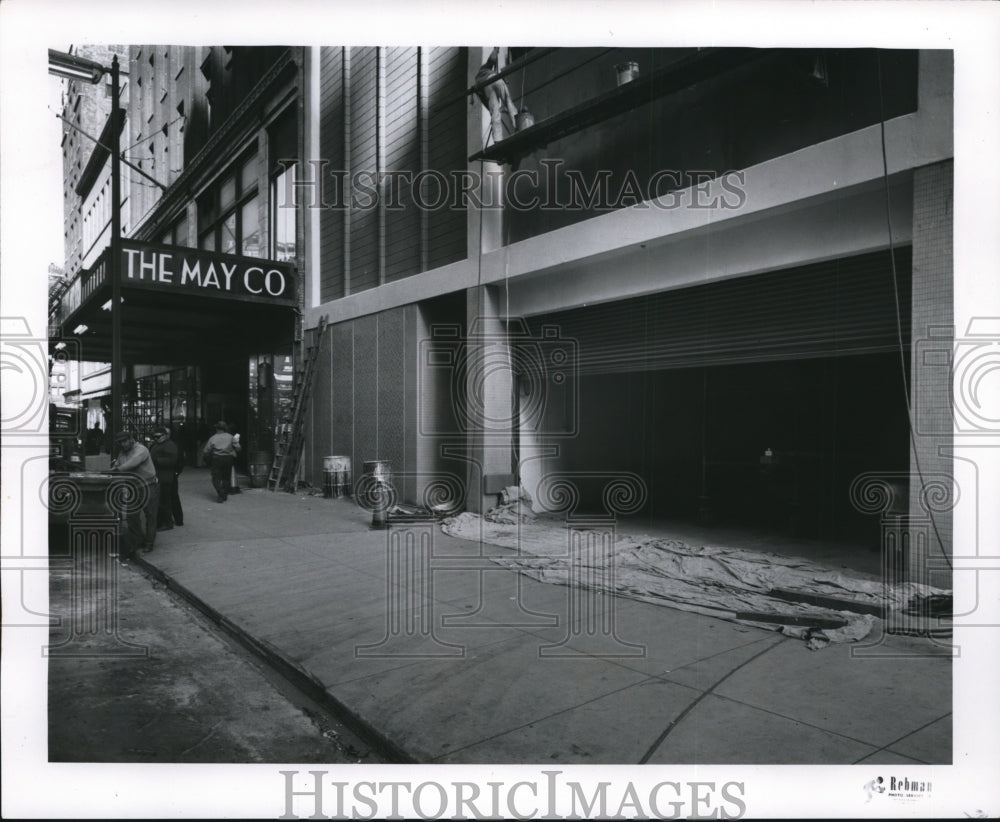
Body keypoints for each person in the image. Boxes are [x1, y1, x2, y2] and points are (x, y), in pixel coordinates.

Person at [111, 429, 159, 557]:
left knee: (150, 516)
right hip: (133, 486)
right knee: (132, 516)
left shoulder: (141, 450)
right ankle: (138, 541)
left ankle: (149, 544)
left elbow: (132, 464)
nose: (122, 444)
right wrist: (111, 470)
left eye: (124, 441)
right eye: (120, 442)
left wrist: (116, 470)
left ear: (131, 439)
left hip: (148, 485)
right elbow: (118, 463)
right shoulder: (122, 452)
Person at [475, 47, 519, 145]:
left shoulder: (478, 85)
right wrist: (495, 50)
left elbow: (487, 104)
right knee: (508, 102)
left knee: (495, 113)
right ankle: (518, 126)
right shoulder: (485, 69)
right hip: (494, 79)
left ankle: (498, 140)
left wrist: (497, 109)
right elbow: (492, 59)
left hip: (486, 87)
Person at [149, 425, 183, 530]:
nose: (156, 438)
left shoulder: (169, 445)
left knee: (165, 501)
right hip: (159, 476)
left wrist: (156, 461)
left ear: (165, 436)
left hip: (165, 477)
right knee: (161, 501)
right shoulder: (157, 445)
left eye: (158, 436)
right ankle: (163, 522)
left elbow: (172, 460)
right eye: (154, 437)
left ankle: (167, 522)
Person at [202, 420, 240, 502]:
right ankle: (224, 494)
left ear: (217, 429)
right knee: (226, 478)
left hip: (217, 459)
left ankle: (220, 493)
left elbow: (206, 451)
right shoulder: (230, 437)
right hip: (228, 459)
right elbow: (238, 448)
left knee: (215, 478)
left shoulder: (213, 438)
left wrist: (206, 459)